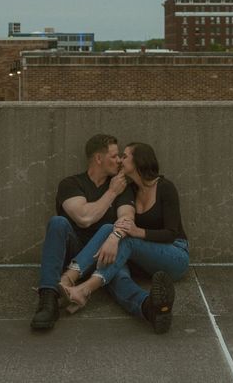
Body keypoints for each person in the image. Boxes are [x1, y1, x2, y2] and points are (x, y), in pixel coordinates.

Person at [60, 142, 189, 334]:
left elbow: (171, 232)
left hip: (175, 255)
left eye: (125, 156)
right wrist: (114, 236)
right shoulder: (132, 190)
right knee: (111, 247)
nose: (120, 159)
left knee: (123, 239)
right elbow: (122, 224)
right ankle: (149, 308)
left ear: (138, 161)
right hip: (144, 260)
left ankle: (82, 289)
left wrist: (137, 233)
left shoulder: (165, 187)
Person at [31, 132, 134, 330]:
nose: (120, 160)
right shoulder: (71, 184)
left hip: (104, 255)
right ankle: (47, 299)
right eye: (114, 156)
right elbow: (84, 218)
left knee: (122, 279)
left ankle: (151, 307)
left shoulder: (122, 187)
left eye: (120, 156)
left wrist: (114, 237)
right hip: (74, 252)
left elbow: (127, 219)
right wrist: (111, 193)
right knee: (58, 222)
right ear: (98, 158)